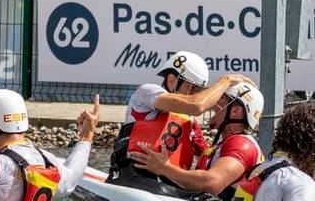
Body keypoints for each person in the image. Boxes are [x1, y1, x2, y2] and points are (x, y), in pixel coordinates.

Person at [107, 50, 254, 191]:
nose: (195, 94)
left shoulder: (189, 122)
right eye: (192, 89)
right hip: (131, 175)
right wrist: (226, 80)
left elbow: (208, 156)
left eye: (198, 90)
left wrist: (234, 168)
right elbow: (196, 105)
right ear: (172, 81)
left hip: (167, 188)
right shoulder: (147, 93)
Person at [131, 81, 264, 201]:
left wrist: (165, 168)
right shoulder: (222, 145)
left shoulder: (243, 144)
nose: (213, 103)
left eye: (221, 98)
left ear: (235, 111)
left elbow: (212, 182)